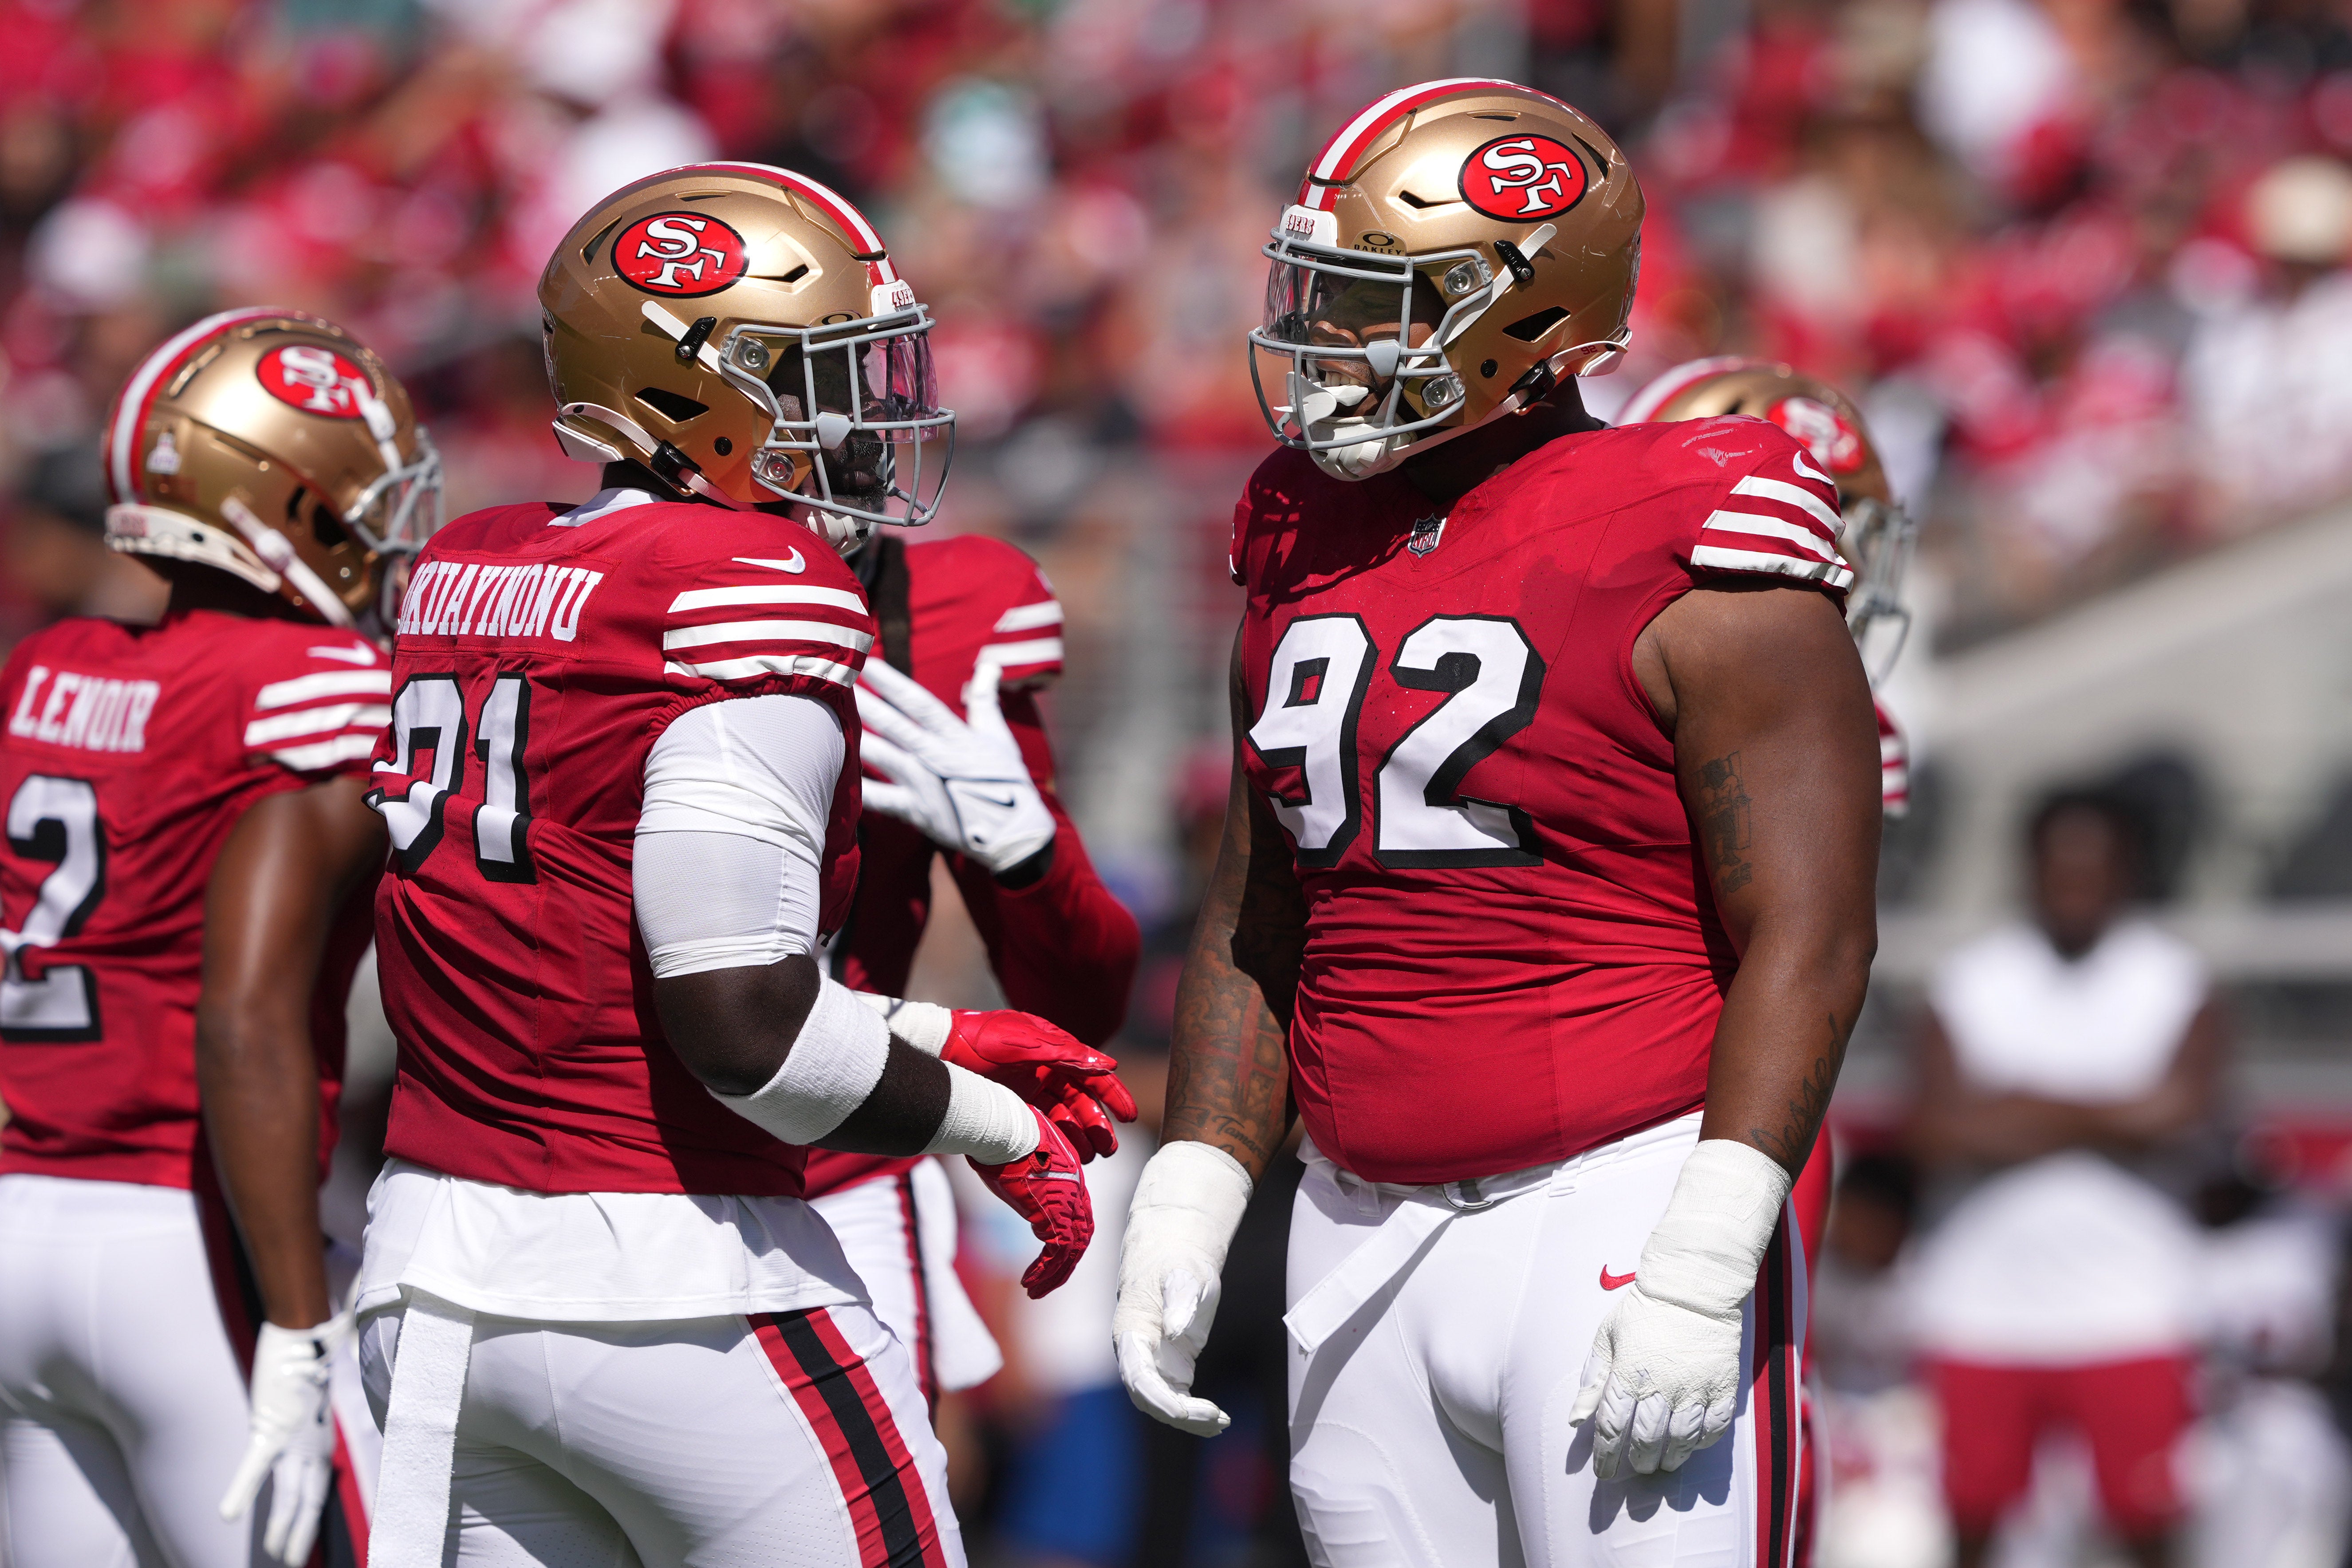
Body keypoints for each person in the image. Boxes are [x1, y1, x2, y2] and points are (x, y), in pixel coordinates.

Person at [1113, 79, 1883, 1568]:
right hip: (1353, 1221)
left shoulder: (1691, 520)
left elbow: (1815, 930)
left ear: (1526, 320)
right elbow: (1259, 905)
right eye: (1316, 294)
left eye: (1373, 301)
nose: (1321, 341)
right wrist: (1193, 1191)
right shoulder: (1295, 528)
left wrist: (1705, 1252)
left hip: (1614, 1196)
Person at [354, 162, 1123, 1568]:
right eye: (819, 381)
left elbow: (600, 955)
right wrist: (996, 1130)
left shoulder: (466, 564)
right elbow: (742, 1032)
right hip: (673, 1271)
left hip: (426, 1277)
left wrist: (939, 1024)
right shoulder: (744, 586)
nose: (868, 423)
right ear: (690, 389)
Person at [0, 307, 442, 1567]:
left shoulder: (46, 666)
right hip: (191, 1236)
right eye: (360, 495)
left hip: (24, 1213)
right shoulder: (310, 688)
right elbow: (243, 1013)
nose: (379, 530)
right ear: (282, 501)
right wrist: (299, 1319)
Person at [1624, 354, 1926, 1567]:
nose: (1837, 571)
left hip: (1705, 1118)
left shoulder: (1823, 716)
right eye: (1811, 530)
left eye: (1845, 535)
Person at [807, 524, 1142, 1408]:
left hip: (830, 1167)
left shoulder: (938, 610)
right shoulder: (589, 587)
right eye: (815, 384)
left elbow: (1079, 1004)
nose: (871, 421)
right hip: (606, 1150)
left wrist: (1031, 862)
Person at [1907, 790, 2222, 1568]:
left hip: (2134, 1307)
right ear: (2029, 869)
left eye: (2095, 866)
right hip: (1979, 1305)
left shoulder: (2178, 980)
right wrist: (2117, 1108)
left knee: (2148, 1525)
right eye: (2059, 865)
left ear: (2129, 872)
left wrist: (2016, 1103)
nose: (2075, 883)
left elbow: (2182, 1113)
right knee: (1973, 1521)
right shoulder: (1967, 980)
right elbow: (1935, 1128)